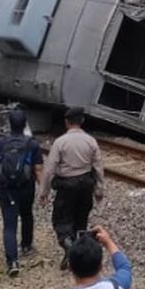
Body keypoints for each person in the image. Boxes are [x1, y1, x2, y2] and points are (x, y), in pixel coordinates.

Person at [38, 107, 104, 267]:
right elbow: (98, 167)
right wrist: (99, 190)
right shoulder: (91, 141)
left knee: (61, 222)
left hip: (66, 187)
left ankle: (70, 250)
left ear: (67, 122)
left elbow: (49, 169)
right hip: (86, 186)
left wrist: (44, 191)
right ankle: (79, 259)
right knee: (80, 222)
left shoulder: (61, 142)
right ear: (82, 121)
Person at [0, 109, 44, 276]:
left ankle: (12, 262)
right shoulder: (32, 144)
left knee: (9, 225)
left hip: (7, 190)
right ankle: (26, 245)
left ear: (9, 124)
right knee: (27, 214)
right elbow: (38, 169)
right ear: (25, 124)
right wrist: (42, 189)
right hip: (27, 187)